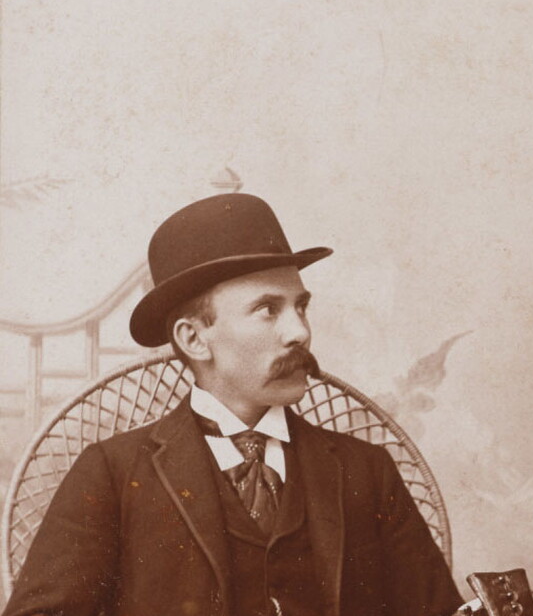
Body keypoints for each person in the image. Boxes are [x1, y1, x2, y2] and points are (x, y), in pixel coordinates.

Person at [3, 193, 463, 616]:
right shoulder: (112, 474)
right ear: (194, 338)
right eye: (268, 309)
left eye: (300, 307)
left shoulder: (366, 471)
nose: (299, 332)